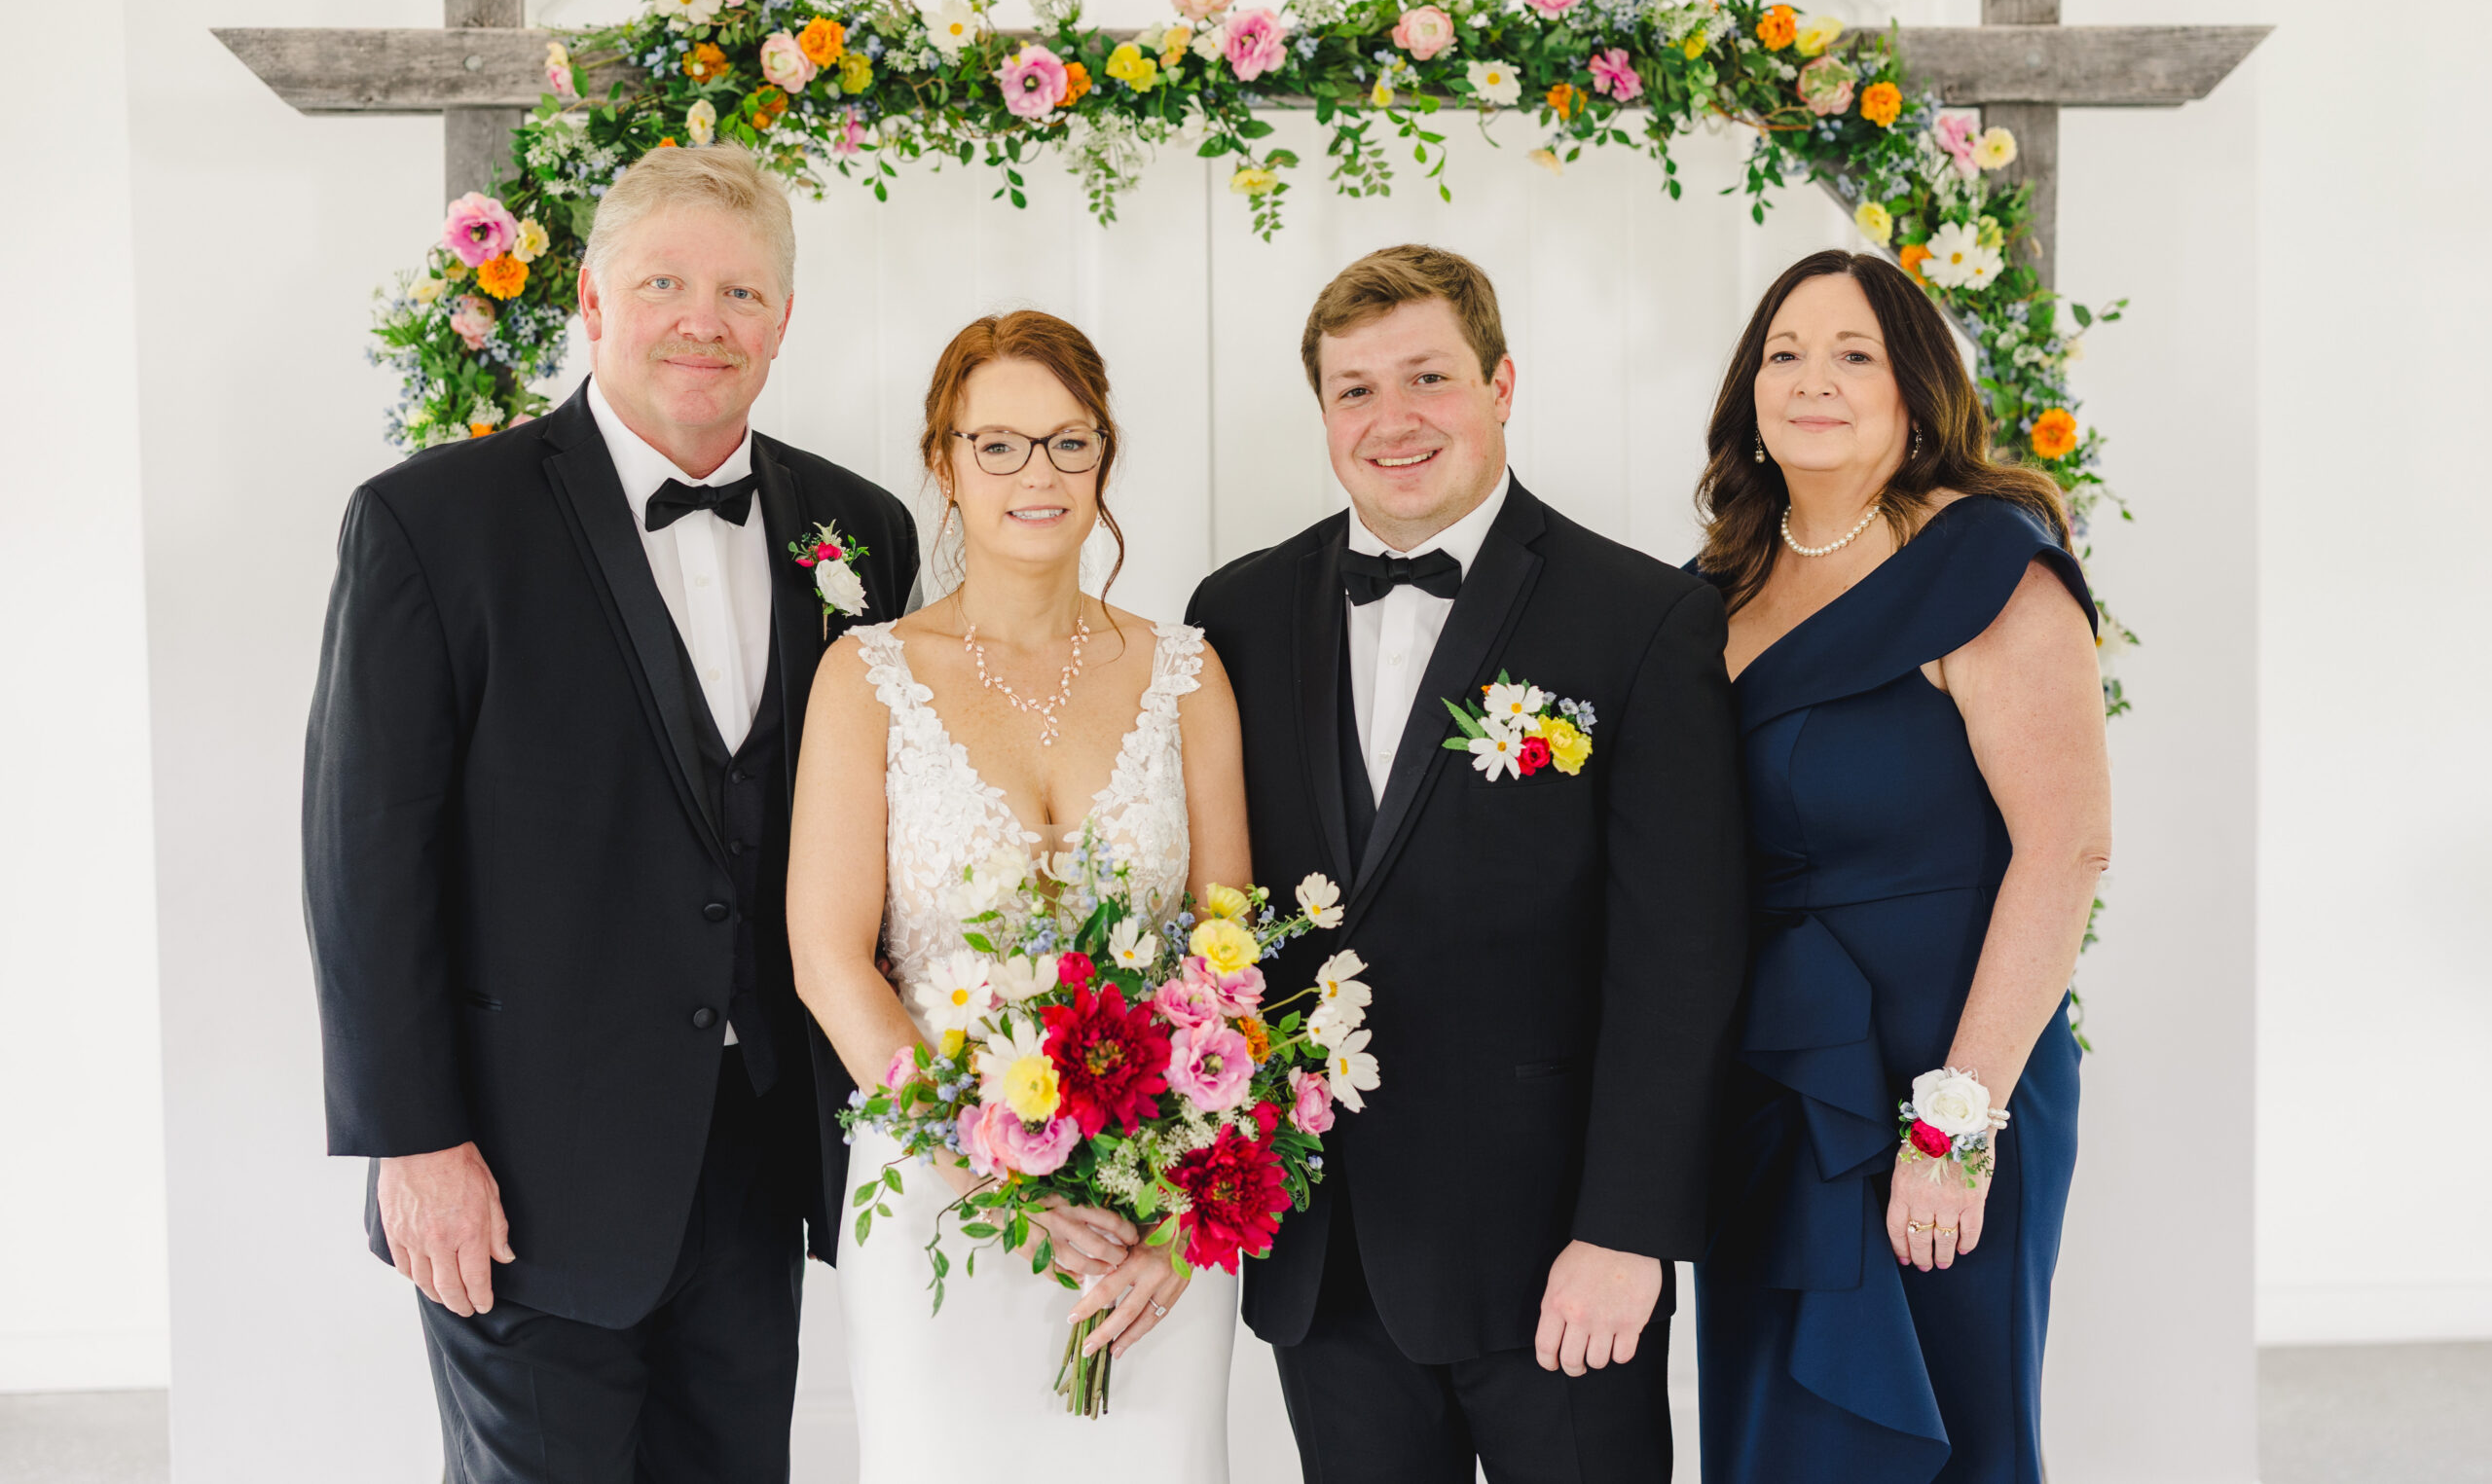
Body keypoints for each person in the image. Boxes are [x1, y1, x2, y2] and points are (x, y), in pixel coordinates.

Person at [301, 142, 919, 1482]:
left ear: (785, 322)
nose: (706, 319)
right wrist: (416, 1139)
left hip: (757, 1158)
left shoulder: (860, 531)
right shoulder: (432, 522)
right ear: (591, 300)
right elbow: (366, 858)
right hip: (519, 1170)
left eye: (743, 293)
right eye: (666, 282)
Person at [1186, 245, 1748, 1483]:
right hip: (1325, 1252)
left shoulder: (1642, 617)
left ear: (1501, 385)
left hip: (1556, 1251)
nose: (1392, 421)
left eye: (1427, 377)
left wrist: (1626, 1231)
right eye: (1354, 390)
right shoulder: (1233, 612)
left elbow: (1683, 955)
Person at [787, 309, 1253, 1480]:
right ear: (942, 463)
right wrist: (991, 1172)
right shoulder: (865, 677)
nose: (1034, 475)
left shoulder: (1187, 675)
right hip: (940, 1205)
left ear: (1104, 457)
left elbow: (1227, 954)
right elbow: (830, 960)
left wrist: (1188, 1212)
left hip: (1147, 1226)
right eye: (995, 444)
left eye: (1067, 442)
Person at [1690, 248, 2113, 1483]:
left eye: (1852, 354)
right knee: (1778, 1439)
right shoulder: (1712, 588)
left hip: (1945, 1063)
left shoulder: (1984, 564)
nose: (1811, 380)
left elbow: (2067, 845)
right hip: (1772, 1076)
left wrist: (1957, 1124)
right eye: (1784, 354)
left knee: (1944, 1434)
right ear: (1748, 395)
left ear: (1915, 391)